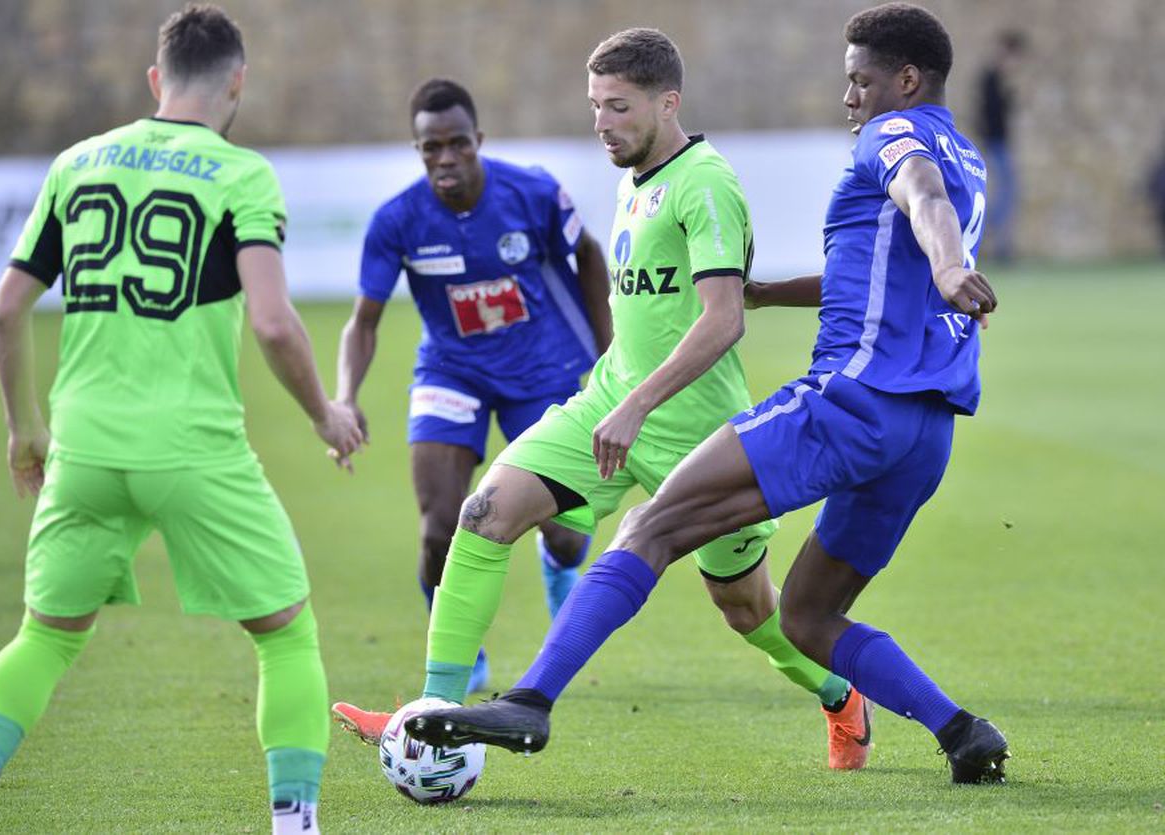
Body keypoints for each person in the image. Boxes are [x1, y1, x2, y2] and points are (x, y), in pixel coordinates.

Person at [406, 4, 1011, 786]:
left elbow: (920, 197)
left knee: (650, 528)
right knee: (806, 616)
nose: (849, 98)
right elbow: (874, 274)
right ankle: (963, 730)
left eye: (860, 81)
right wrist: (767, 292)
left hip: (853, 403)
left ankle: (531, 699)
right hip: (926, 431)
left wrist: (947, 264)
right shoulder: (972, 157)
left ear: (905, 80)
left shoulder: (895, 139)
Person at [339, 27, 875, 772]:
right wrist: (616, 394)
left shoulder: (704, 180)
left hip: (701, 434)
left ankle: (839, 694)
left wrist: (639, 404)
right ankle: (432, 714)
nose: (601, 123)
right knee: (484, 513)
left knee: (748, 608)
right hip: (607, 405)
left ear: (667, 102)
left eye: (618, 107)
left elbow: (724, 319)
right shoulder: (632, 177)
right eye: (594, 106)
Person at [0, 6, 362, 834]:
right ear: (237, 83)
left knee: (46, 637)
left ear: (156, 79)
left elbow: (5, 312)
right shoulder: (240, 173)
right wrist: (326, 413)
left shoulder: (77, 163)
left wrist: (24, 429)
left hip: (82, 446)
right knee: (287, 635)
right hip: (192, 448)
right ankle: (294, 823)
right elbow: (276, 322)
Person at [330, 79, 612, 703]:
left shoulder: (532, 193)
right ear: (418, 149)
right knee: (438, 528)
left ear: (478, 140)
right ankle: (462, 652)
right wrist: (345, 396)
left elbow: (588, 255)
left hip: (539, 372)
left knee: (564, 531)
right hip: (450, 372)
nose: (446, 158)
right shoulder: (398, 221)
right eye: (432, 148)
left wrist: (609, 355)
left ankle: (558, 563)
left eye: (458, 143)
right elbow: (364, 321)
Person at [976, 29, 1026, 262]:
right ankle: (991, 234)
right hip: (994, 143)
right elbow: (989, 114)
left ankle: (1000, 244)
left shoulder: (998, 80)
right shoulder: (990, 78)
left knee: (1009, 192)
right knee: (1005, 192)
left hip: (999, 142)